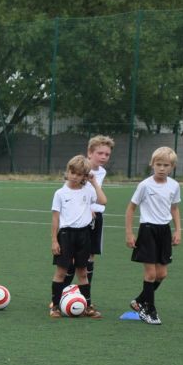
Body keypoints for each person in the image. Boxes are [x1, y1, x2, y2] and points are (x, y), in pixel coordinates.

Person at [125, 147, 182, 325]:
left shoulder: (174, 185)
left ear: (172, 167)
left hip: (164, 231)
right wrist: (129, 233)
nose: (162, 168)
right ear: (152, 164)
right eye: (158, 164)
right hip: (147, 230)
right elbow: (131, 208)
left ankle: (139, 301)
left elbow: (174, 208)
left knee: (162, 274)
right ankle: (149, 310)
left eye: (166, 165)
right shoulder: (144, 185)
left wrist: (178, 230)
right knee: (150, 274)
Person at [50, 155, 107, 318]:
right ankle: (55, 306)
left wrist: (94, 182)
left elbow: (103, 201)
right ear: (67, 171)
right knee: (61, 272)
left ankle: (88, 306)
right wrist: (54, 240)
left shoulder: (88, 190)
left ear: (84, 176)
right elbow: (55, 218)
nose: (74, 176)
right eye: (72, 172)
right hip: (66, 236)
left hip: (84, 235)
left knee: (82, 272)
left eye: (79, 174)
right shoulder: (60, 193)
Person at [84, 135, 113, 289]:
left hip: (97, 216)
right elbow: (72, 191)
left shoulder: (102, 171)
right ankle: (60, 295)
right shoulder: (80, 168)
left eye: (107, 154)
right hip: (81, 216)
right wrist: (86, 209)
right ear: (90, 153)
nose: (103, 157)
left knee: (91, 255)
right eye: (100, 153)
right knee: (75, 255)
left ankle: (85, 296)